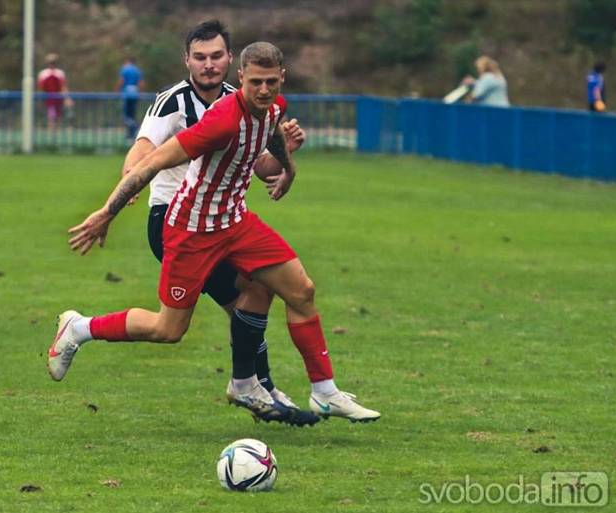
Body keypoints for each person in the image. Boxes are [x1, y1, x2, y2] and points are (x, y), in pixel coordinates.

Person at [50, 41, 381, 425]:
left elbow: (270, 131)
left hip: (236, 223)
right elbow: (152, 161)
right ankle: (80, 327)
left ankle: (322, 392)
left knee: (298, 290)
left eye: (271, 82)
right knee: (168, 329)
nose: (263, 90)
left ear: (281, 78)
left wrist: (288, 168)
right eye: (255, 82)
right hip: (191, 230)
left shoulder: (275, 104)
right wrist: (107, 212)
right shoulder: (221, 119)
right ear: (241, 77)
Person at [120, 20, 310, 422]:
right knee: (230, 305)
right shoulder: (172, 101)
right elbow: (145, 149)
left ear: (231, 61)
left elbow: (262, 168)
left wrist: (285, 154)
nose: (209, 65)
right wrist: (129, 181)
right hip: (175, 220)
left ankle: (259, 389)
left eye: (216, 56)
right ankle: (260, 390)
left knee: (255, 294)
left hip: (222, 224)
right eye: (200, 57)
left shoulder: (243, 98)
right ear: (187, 60)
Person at [37, 53, 74, 134]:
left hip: (58, 98)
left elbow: (63, 86)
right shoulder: (43, 73)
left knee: (58, 115)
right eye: (50, 62)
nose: (52, 64)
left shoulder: (60, 73)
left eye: (53, 62)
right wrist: (40, 98)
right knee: (51, 115)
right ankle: (51, 132)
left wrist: (67, 98)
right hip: (48, 98)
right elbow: (40, 87)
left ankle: (56, 133)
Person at [116, 56, 145, 142]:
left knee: (126, 115)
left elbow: (121, 80)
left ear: (127, 61)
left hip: (126, 93)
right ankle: (131, 134)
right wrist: (140, 92)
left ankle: (134, 128)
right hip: (135, 93)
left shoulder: (125, 69)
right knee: (132, 114)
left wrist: (117, 90)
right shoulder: (137, 70)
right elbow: (141, 83)